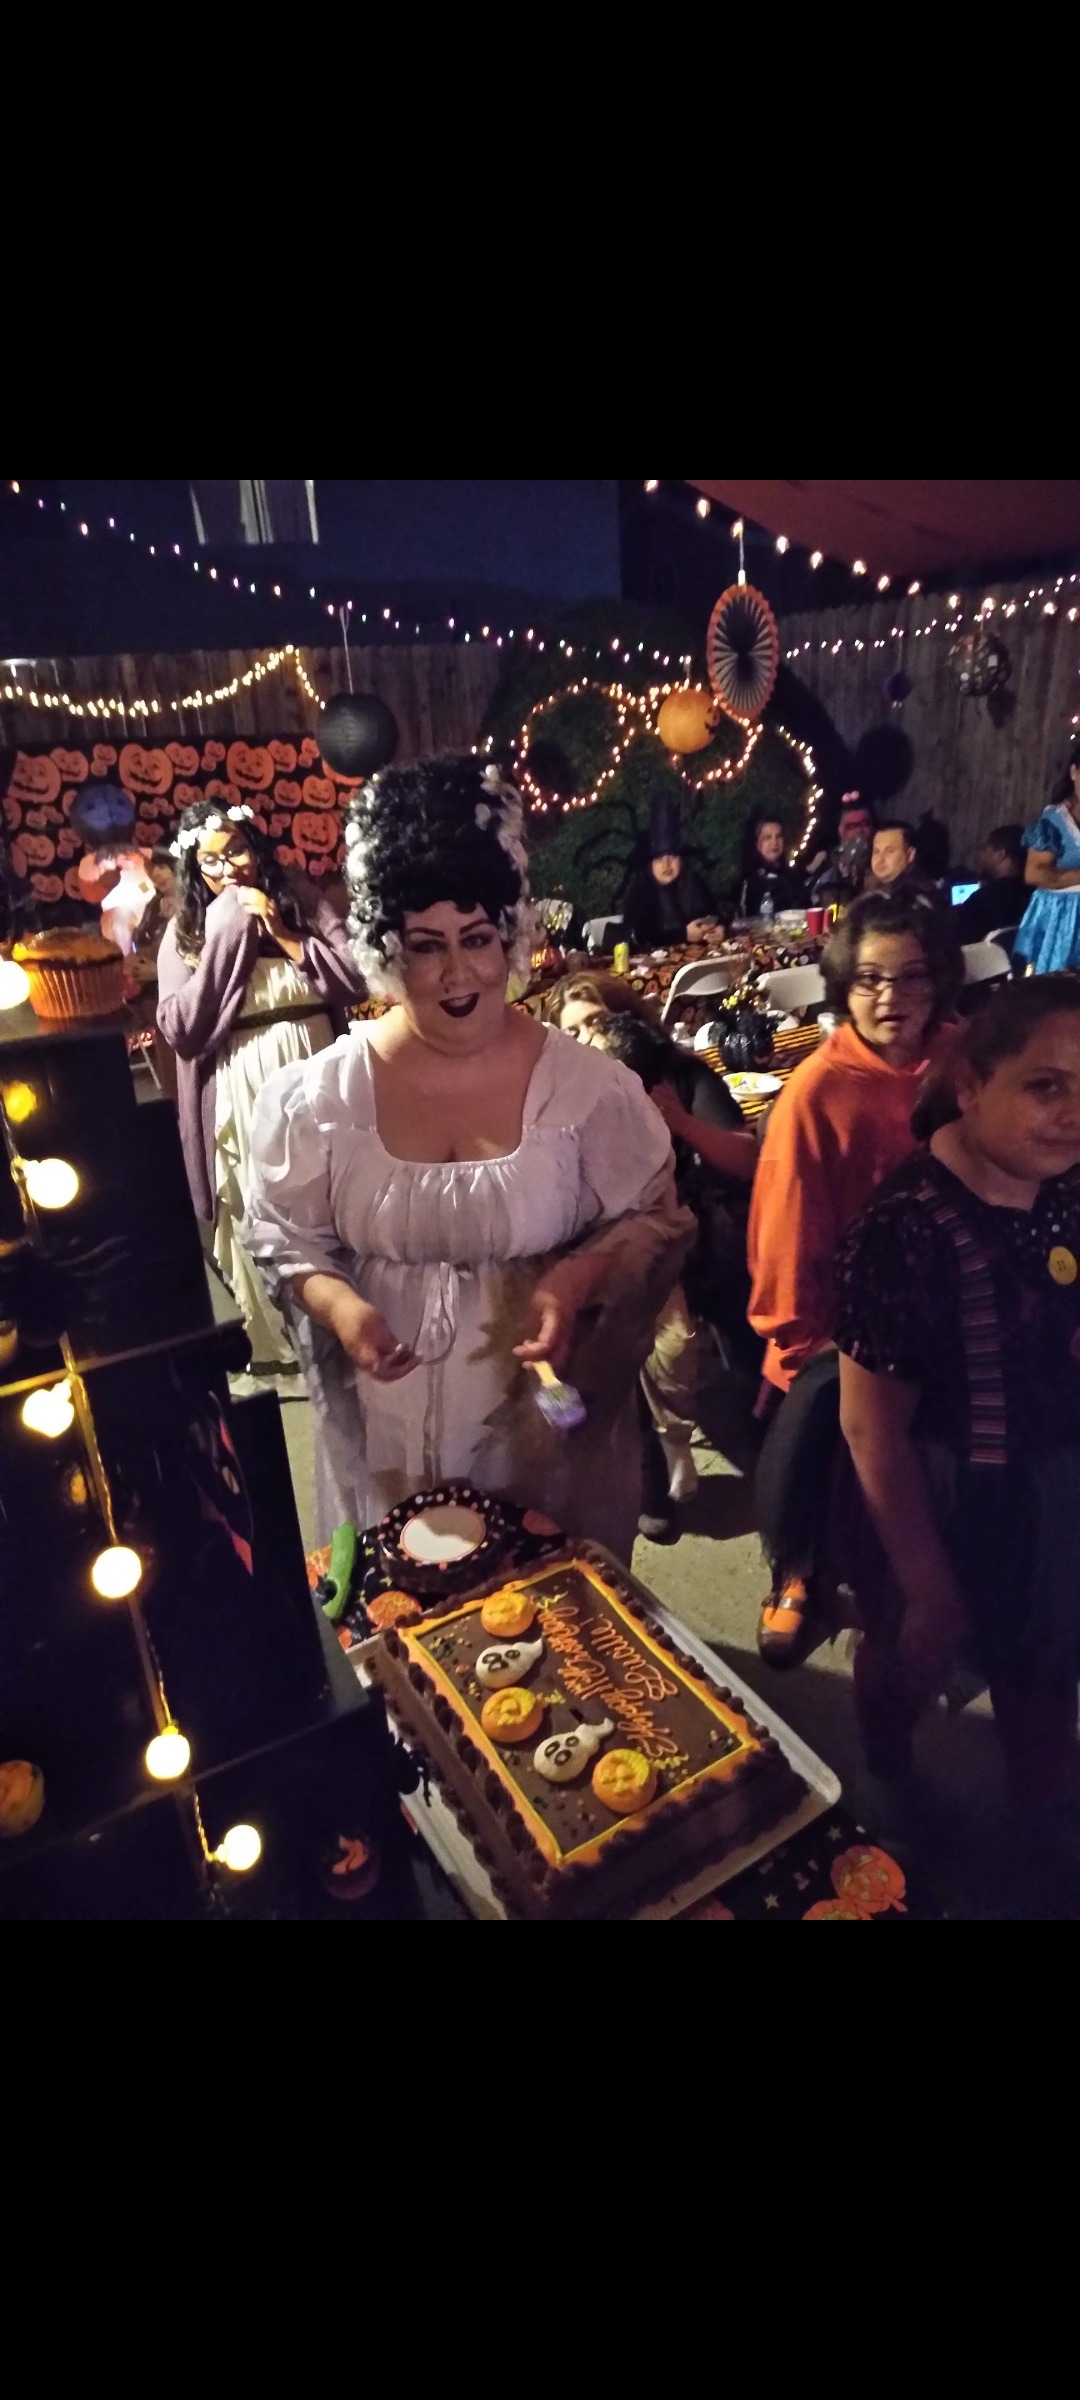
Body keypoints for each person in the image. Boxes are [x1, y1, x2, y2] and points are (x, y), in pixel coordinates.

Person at [241, 757, 695, 1555]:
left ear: (509, 935)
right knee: (408, 1605)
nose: (458, 974)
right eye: (425, 946)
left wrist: (574, 1281)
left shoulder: (586, 1093)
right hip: (385, 1434)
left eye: (477, 938)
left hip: (542, 1434)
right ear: (387, 949)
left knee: (540, 1611)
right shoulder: (321, 1100)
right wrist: (342, 1308)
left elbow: (652, 1219)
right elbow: (282, 1234)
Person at [833, 977, 1080, 1881]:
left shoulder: (1066, 1187)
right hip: (935, 1491)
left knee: (1042, 1666)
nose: (1072, 1115)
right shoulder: (905, 1231)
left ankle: (1044, 1818)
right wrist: (926, 1581)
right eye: (1045, 1086)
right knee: (913, 1647)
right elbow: (871, 1429)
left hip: (1051, 1481)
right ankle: (885, 1762)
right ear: (972, 1086)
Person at [747, 892, 964, 1662]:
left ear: (939, 980)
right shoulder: (818, 1090)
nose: (890, 997)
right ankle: (796, 1569)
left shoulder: (967, 1061)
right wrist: (803, 1340)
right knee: (828, 1462)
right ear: (844, 986)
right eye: (870, 979)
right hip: (847, 1325)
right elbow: (785, 1236)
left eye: (911, 977)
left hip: (956, 1308)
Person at [156, 797, 366, 1384]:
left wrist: (282, 931)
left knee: (337, 1202)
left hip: (319, 1074)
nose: (229, 869)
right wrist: (228, 930)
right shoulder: (186, 930)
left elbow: (354, 979)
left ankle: (356, 1326)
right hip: (243, 1087)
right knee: (268, 1212)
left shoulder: (300, 900)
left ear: (256, 847)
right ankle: (294, 1348)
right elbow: (180, 1027)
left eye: (237, 851)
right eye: (211, 861)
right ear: (195, 871)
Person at [580, 1008, 758, 1539]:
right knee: (624, 1351)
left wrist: (679, 1120)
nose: (576, 1040)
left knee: (682, 1344)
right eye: (570, 1030)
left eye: (589, 1027)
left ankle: (692, 1432)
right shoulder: (568, 1097)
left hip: (693, 1239)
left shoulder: (679, 1078)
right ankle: (654, 1478)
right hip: (611, 1251)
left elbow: (745, 1157)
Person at [1014, 741, 1080, 974]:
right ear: (1074, 772)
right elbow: (1035, 874)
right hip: (1062, 920)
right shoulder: (1054, 822)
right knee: (1060, 985)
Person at [621, 796, 719, 952]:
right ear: (650, 864)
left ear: (681, 860)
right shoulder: (639, 894)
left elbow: (716, 914)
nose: (666, 864)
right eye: (659, 858)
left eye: (672, 856)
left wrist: (718, 929)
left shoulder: (695, 884)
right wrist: (683, 935)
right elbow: (639, 937)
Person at [952, 825, 1028, 944]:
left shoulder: (982, 900)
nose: (981, 856)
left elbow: (956, 939)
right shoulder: (1036, 895)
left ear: (1000, 855)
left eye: (984, 849)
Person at [808, 794, 875, 909]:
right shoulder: (826, 865)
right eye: (851, 827)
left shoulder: (880, 862)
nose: (859, 831)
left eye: (864, 824)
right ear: (840, 830)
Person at [736, 815, 806, 921]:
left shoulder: (794, 877)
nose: (774, 843)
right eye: (768, 837)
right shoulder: (748, 881)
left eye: (779, 836)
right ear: (757, 843)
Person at [862, 819, 942, 908]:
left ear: (910, 854)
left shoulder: (915, 899)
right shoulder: (869, 890)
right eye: (876, 851)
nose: (880, 859)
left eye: (890, 851)